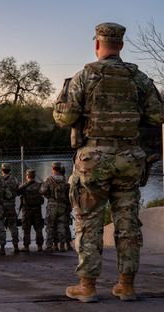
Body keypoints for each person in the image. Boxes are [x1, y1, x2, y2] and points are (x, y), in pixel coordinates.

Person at [53, 22, 164, 302]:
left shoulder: (85, 76)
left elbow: (64, 117)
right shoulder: (139, 78)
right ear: (121, 46)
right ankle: (126, 285)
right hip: (129, 159)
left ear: (97, 44)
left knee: (88, 222)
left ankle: (87, 287)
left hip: (93, 160)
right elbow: (158, 116)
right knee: (127, 223)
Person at [40, 162, 69, 253]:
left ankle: (49, 246)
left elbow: (42, 191)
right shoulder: (64, 180)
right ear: (60, 169)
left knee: (50, 226)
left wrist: (49, 196)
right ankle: (62, 246)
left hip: (52, 205)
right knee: (61, 225)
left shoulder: (49, 180)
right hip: (62, 205)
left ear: (53, 169)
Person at [17, 169, 44, 252]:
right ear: (34, 176)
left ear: (27, 176)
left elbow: (17, 192)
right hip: (37, 209)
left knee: (26, 228)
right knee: (38, 228)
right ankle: (39, 246)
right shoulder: (39, 185)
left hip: (27, 210)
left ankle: (26, 246)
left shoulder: (24, 186)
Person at [0, 163, 20, 254]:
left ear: (2, 170)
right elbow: (18, 190)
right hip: (11, 205)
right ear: (10, 170)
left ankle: (2, 247)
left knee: (0, 227)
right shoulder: (15, 180)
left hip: (1, 206)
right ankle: (16, 246)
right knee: (13, 226)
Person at [60, 166, 74, 251]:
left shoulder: (53, 181)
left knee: (57, 225)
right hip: (66, 205)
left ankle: (58, 244)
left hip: (57, 205)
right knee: (66, 225)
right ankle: (68, 244)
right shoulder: (66, 182)